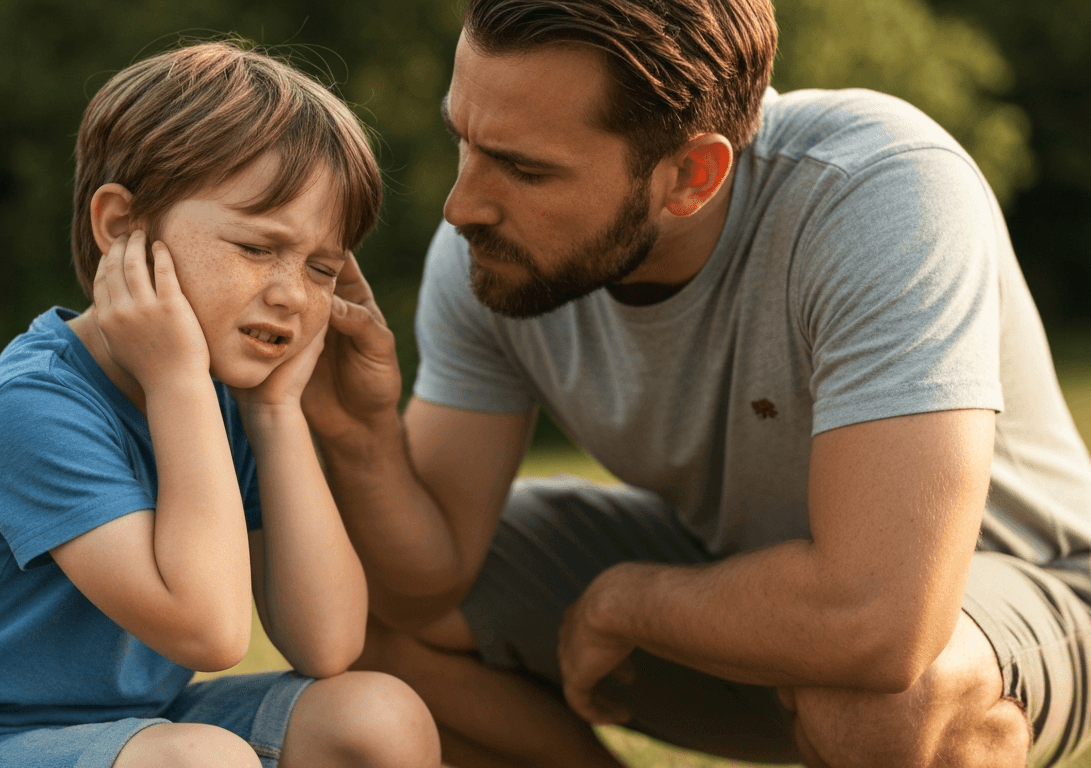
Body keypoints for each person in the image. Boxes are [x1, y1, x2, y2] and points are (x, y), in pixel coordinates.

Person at [303, 0, 1091, 766]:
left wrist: (628, 604)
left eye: (523, 168)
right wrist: (360, 434)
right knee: (339, 599)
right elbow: (426, 589)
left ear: (690, 175)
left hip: (1017, 596)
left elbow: (880, 623)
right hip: (741, 586)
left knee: (885, 696)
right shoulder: (495, 251)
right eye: (464, 140)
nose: (461, 205)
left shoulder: (878, 190)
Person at [0, 41, 440, 768]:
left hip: (134, 728)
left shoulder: (233, 403)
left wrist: (277, 414)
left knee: (378, 717)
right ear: (121, 226)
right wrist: (178, 382)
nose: (292, 293)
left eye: (321, 267)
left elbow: (329, 642)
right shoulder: (32, 404)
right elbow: (210, 631)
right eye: (257, 248)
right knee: (202, 762)